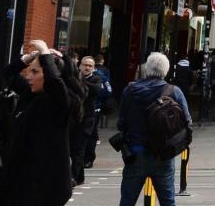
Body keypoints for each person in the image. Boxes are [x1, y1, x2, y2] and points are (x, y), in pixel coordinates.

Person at [0, 39, 77, 206]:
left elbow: (56, 85)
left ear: (49, 74)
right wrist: (26, 59)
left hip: (42, 186)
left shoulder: (60, 104)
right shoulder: (30, 96)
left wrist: (45, 54)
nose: (28, 76)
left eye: (35, 72)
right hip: (18, 179)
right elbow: (8, 74)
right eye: (29, 71)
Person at [116, 52, 192, 206]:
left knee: (127, 201)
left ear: (146, 69)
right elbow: (187, 123)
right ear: (166, 70)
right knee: (167, 201)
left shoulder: (130, 91)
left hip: (135, 152)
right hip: (163, 154)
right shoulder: (173, 91)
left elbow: (121, 123)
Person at [72, 55, 106, 184]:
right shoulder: (74, 77)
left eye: (90, 66)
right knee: (72, 149)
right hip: (73, 118)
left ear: (93, 68)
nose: (87, 68)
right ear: (80, 65)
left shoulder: (97, 79)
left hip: (87, 119)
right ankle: (80, 177)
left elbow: (96, 89)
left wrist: (78, 81)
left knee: (79, 149)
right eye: (85, 65)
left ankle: (74, 177)